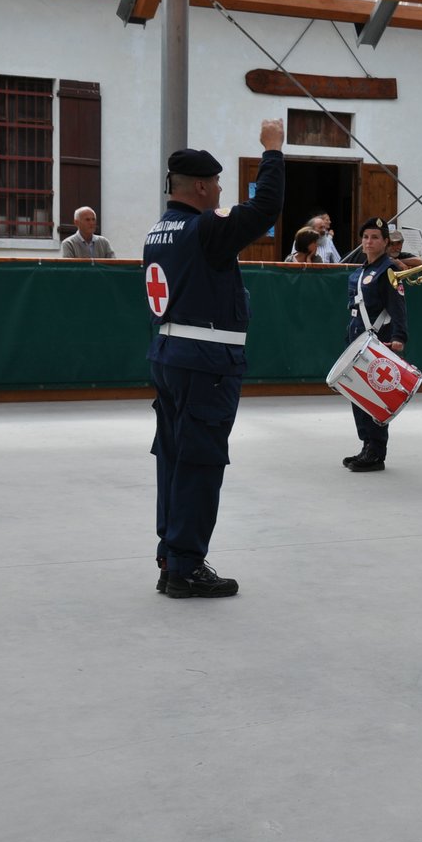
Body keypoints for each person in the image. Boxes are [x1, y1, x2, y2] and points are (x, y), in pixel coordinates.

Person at [144, 119, 285, 599]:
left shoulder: (157, 230)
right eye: (219, 183)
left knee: (173, 456)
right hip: (204, 361)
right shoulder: (205, 229)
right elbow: (265, 207)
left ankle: (170, 555)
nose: (221, 190)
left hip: (168, 353)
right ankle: (185, 564)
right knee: (201, 461)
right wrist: (272, 151)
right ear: (201, 187)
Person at [341, 216, 409, 473]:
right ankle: (366, 444)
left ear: (386, 242)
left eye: (375, 238)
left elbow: (398, 307)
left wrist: (400, 337)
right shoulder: (359, 272)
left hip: (379, 339)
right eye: (366, 237)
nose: (369, 242)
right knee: (358, 394)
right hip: (356, 338)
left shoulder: (388, 270)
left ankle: (376, 450)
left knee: (376, 395)